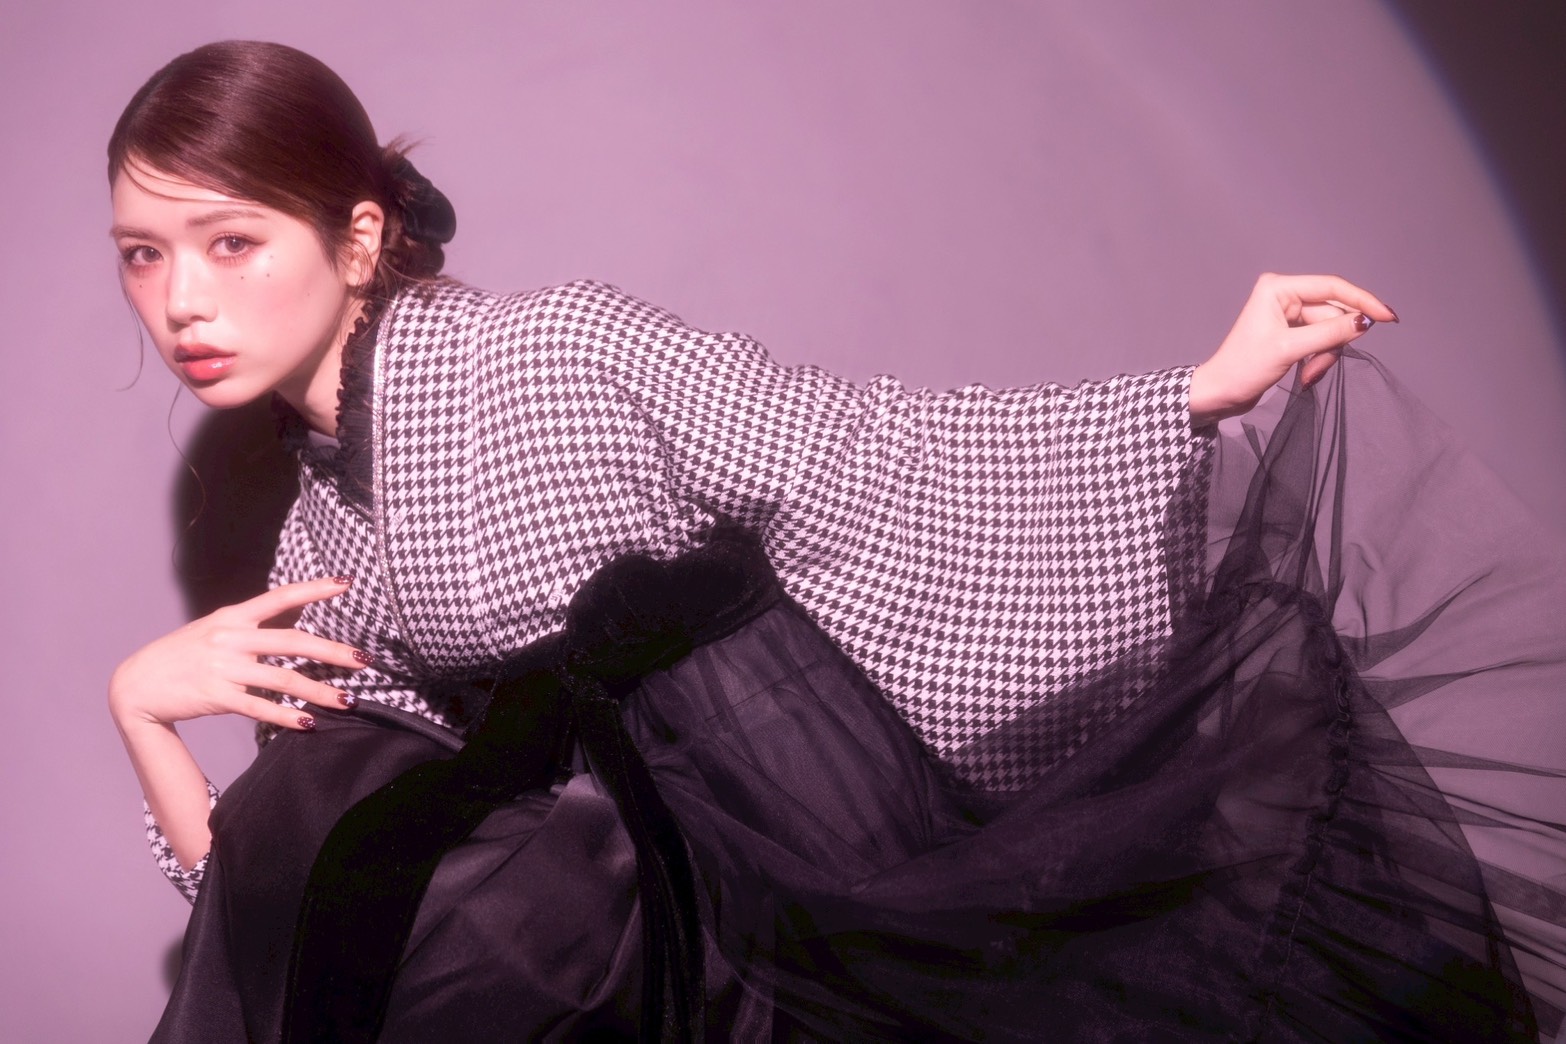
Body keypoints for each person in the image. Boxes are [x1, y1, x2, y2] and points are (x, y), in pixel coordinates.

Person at [107, 40, 1565, 1042]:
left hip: (800, 877)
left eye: (232, 241)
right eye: (142, 255)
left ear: (359, 238)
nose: (181, 301)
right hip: (627, 956)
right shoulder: (321, 527)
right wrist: (144, 712)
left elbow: (863, 448)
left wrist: (1190, 392)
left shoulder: (555, 350)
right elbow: (294, 889)